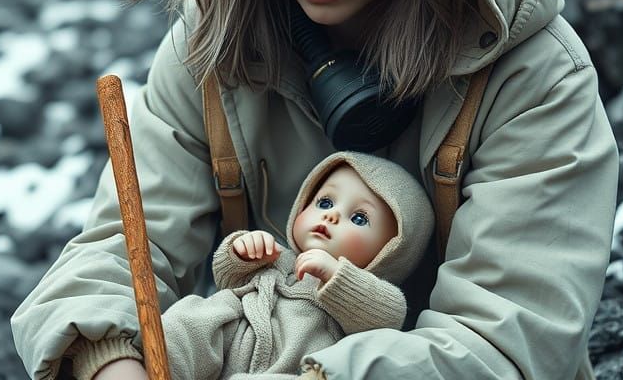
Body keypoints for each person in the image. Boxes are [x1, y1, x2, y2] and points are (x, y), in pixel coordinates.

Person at [11, 0, 619, 379]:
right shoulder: (212, 45)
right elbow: (117, 255)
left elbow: (507, 345)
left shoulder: (537, 77)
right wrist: (114, 362)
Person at [158, 151, 434, 380]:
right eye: (325, 202)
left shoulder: (371, 294)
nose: (332, 215)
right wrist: (241, 252)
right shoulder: (277, 256)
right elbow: (227, 279)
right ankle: (153, 366)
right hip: (231, 337)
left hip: (291, 365)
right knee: (191, 318)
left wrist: (337, 276)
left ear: (392, 251)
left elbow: (388, 317)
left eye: (359, 218)